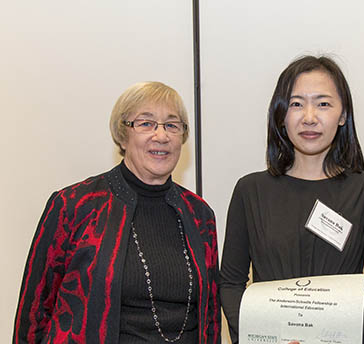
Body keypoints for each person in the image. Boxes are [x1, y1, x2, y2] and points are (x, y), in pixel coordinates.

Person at [13, 81, 220, 343]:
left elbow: (210, 319)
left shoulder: (200, 215)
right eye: (145, 123)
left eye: (172, 125)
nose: (161, 135)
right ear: (123, 134)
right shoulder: (73, 205)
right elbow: (33, 316)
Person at [219, 55, 364, 344]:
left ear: (342, 115)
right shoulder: (250, 191)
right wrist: (260, 339)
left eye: (323, 103)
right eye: (296, 104)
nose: (309, 117)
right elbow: (231, 282)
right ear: (281, 115)